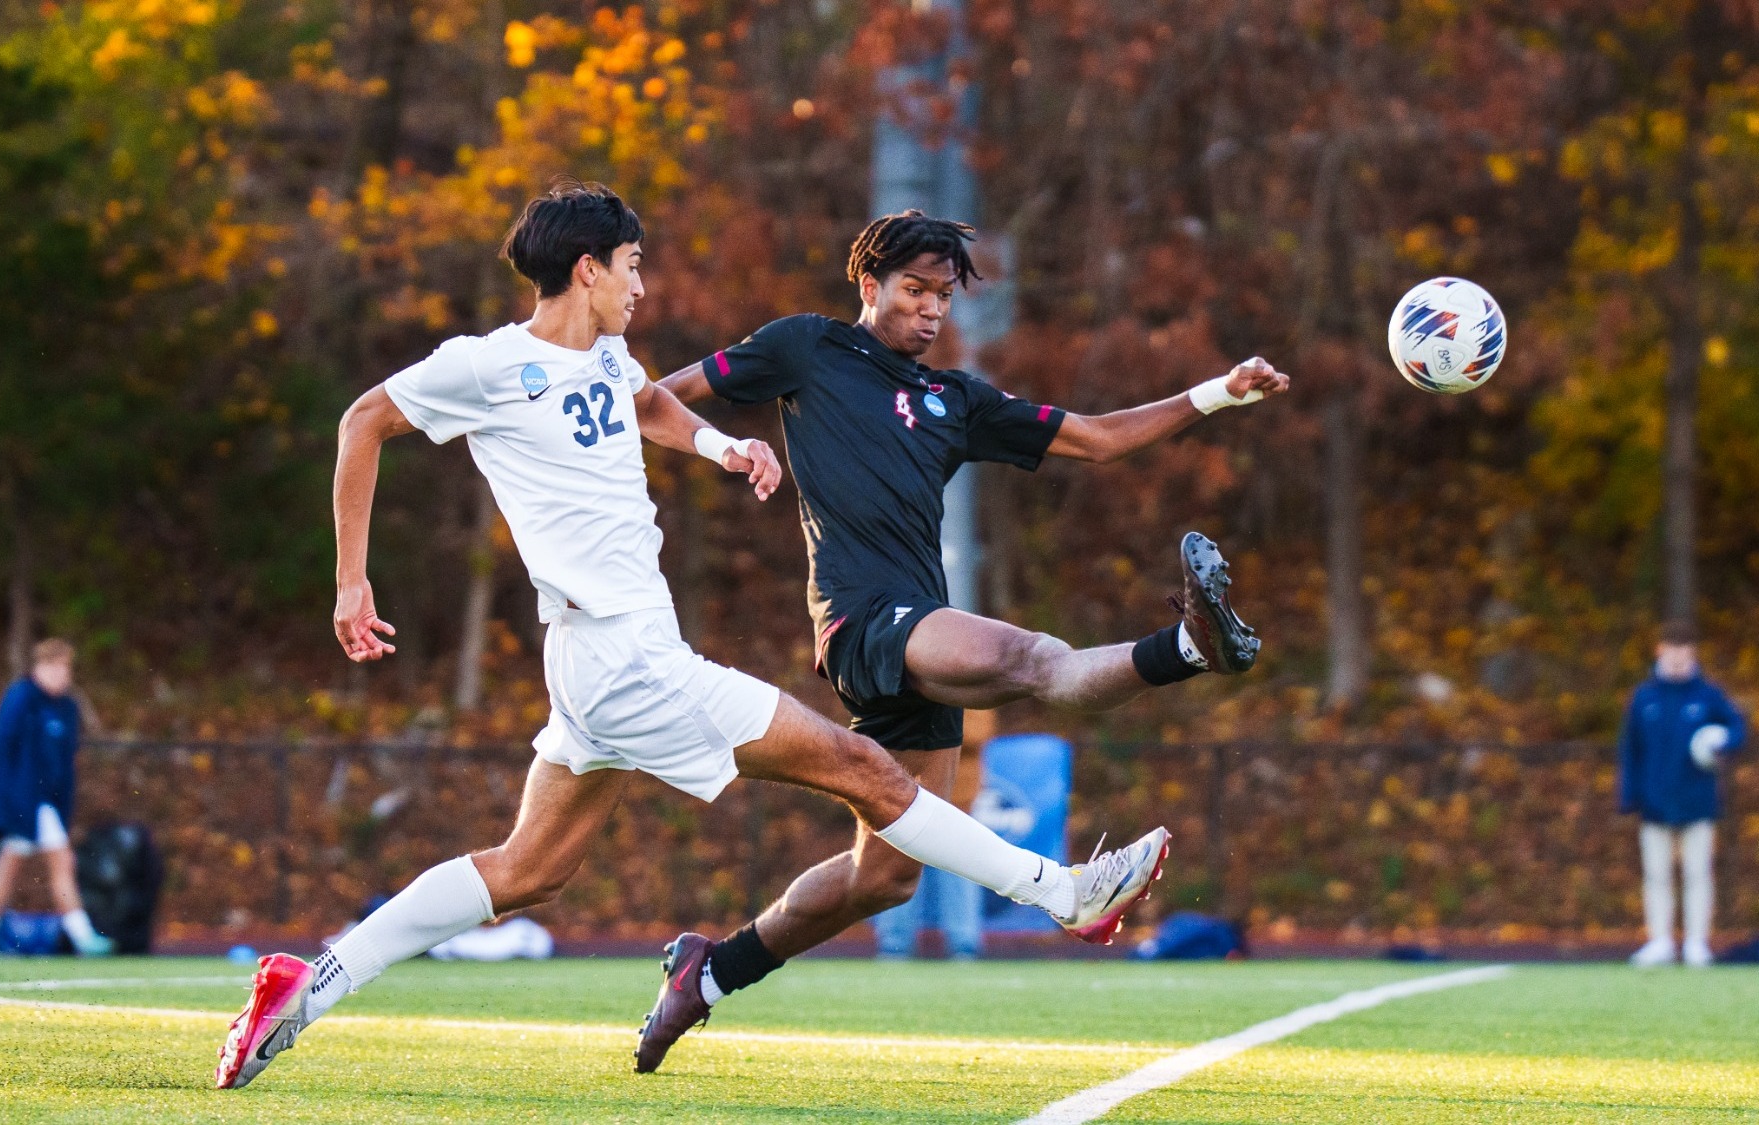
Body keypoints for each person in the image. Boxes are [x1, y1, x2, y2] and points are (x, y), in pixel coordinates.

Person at [214, 182, 1171, 1090]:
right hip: (629, 661)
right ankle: (1063, 893)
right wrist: (351, 581)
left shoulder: (603, 358)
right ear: (587, 268)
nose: (643, 283)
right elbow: (361, 421)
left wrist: (728, 447)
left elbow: (647, 403)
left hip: (597, 660)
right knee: (869, 772)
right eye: (632, 264)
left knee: (530, 869)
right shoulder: (488, 365)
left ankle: (308, 983)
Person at [638, 210, 1287, 1071]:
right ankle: (1189, 648)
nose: (933, 309)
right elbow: (652, 398)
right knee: (1028, 659)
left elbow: (1094, 439)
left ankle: (707, 973)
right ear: (867, 287)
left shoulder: (957, 399)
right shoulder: (806, 347)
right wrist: (720, 448)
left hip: (918, 630)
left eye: (944, 295)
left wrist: (1217, 393)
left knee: (885, 877)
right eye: (915, 289)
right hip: (863, 621)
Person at [0, 638, 113, 958]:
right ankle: (81, 936)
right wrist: (9, 802)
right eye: (56, 668)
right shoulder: (20, 698)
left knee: (24, 865)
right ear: (40, 668)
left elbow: (65, 762)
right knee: (52, 863)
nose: (62, 675)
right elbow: (2, 751)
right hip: (22, 803)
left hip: (47, 805)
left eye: (66, 668)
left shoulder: (67, 708)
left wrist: (62, 806)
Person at [1618, 621, 1747, 968]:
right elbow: (1630, 749)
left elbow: (1738, 728)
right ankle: (1659, 941)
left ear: (1692, 654)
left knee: (1697, 873)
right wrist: (1629, 796)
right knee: (1656, 874)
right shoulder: (1644, 697)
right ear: (1661, 651)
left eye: (1684, 653)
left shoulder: (1708, 695)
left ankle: (1695, 943)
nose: (1677, 660)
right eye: (1671, 652)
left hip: (1698, 801)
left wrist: (1724, 741)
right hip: (1654, 802)